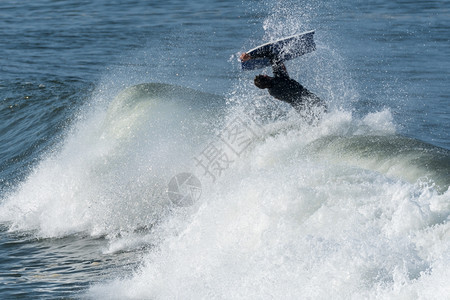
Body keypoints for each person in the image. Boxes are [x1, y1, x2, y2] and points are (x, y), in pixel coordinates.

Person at [240, 52, 326, 118]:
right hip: (308, 98)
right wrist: (251, 56)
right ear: (266, 76)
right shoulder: (280, 77)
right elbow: (271, 55)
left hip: (300, 108)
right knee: (324, 110)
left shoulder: (272, 92)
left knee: (313, 122)